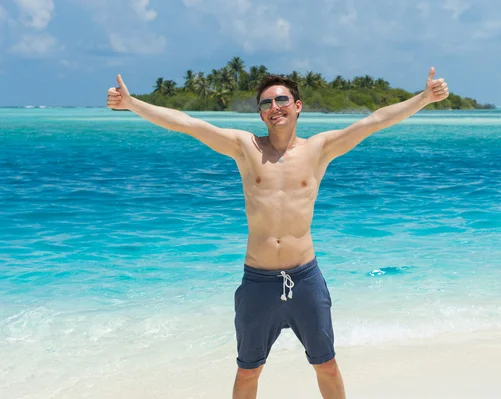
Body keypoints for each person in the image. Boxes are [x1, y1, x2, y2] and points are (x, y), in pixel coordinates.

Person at [106, 67, 449, 399]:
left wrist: (423, 98)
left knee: (326, 365)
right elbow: (188, 124)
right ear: (261, 114)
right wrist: (132, 104)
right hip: (258, 282)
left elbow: (373, 121)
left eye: (282, 100)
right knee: (248, 370)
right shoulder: (246, 148)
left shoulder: (318, 149)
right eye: (266, 104)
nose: (274, 108)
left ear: (297, 106)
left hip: (305, 279)